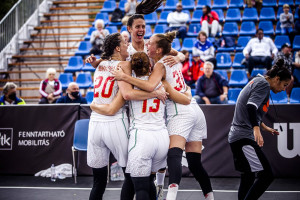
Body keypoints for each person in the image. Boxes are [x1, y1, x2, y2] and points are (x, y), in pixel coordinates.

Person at [112, 31, 214, 200]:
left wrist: (123, 76)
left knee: (172, 156)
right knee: (194, 163)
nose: (147, 44)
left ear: (158, 50)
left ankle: (169, 196)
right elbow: (177, 55)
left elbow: (149, 86)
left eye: (150, 43)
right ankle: (209, 196)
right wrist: (180, 57)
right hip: (193, 110)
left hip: (173, 114)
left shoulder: (158, 72)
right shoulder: (168, 60)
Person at [228, 59, 291, 200]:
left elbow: (251, 110)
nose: (284, 89)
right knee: (266, 175)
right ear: (277, 79)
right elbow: (251, 106)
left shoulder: (258, 81)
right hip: (243, 137)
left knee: (248, 176)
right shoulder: (263, 84)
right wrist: (256, 129)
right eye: (284, 85)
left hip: (237, 137)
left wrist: (264, 127)